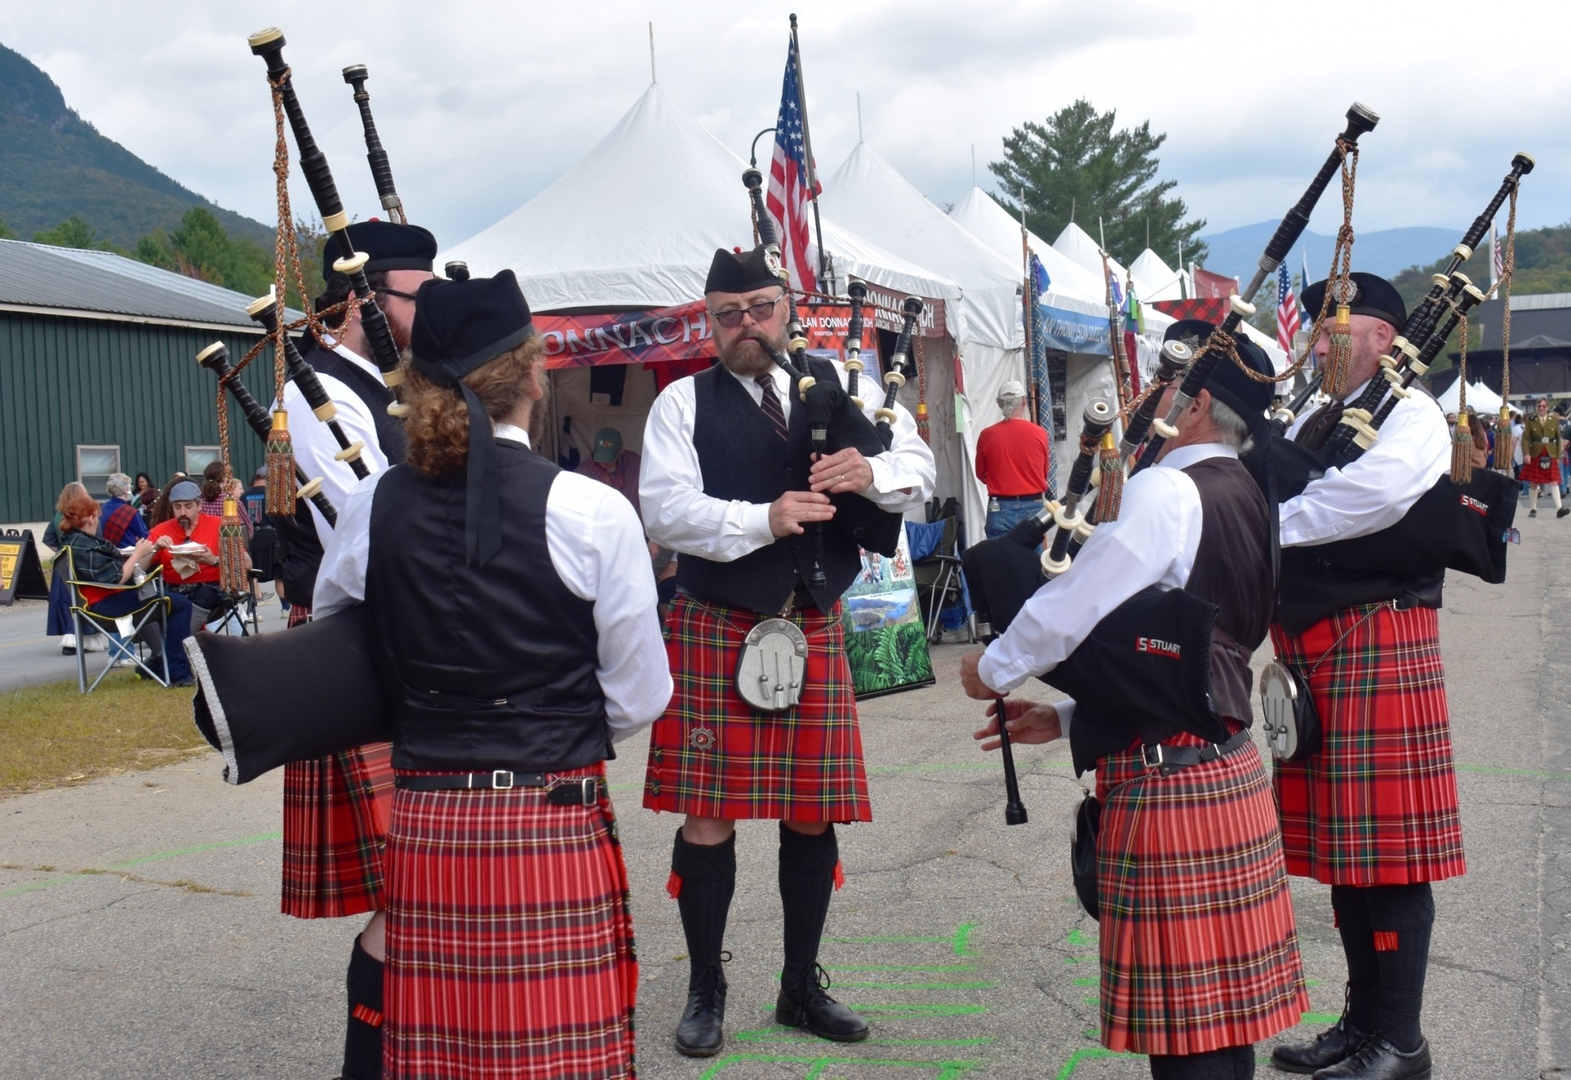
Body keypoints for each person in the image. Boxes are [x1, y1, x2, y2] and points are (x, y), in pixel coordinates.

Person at [314, 270, 670, 1078]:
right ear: (534, 375)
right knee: (555, 1054)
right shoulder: (592, 511)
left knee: (434, 1049)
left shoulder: (376, 504)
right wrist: (555, 726)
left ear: (423, 387)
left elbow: (337, 625)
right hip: (552, 811)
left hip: (429, 817)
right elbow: (641, 693)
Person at [960, 330, 1307, 1080]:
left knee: (1188, 1041)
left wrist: (990, 670)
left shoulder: (1167, 488)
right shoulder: (1246, 488)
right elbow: (1187, 650)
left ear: (1200, 402)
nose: (1150, 391)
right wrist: (1072, 720)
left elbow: (1069, 608)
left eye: (1165, 380)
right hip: (1216, 763)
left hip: (1170, 787)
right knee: (1217, 1026)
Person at [639, 246, 936, 1057]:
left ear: (786, 310)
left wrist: (868, 468)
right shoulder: (680, 404)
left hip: (809, 622)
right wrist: (758, 520)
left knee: (813, 810)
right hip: (716, 618)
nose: (747, 326)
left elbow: (918, 466)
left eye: (760, 309)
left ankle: (800, 985)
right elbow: (663, 509)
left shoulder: (841, 385)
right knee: (709, 816)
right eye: (728, 315)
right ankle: (706, 988)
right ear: (709, 322)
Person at [1270, 272, 1464, 1080]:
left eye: (1333, 334)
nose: (1318, 347)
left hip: (1376, 640)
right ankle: (1362, 1024)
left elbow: (1370, 499)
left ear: (1383, 338)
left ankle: (1402, 1042)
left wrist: (1264, 525)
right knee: (1349, 859)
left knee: (1389, 861)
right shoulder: (1320, 417)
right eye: (1315, 333)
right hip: (1320, 649)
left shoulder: (1413, 416)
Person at [269, 220, 438, 1080]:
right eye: (419, 293)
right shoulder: (313, 389)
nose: (430, 307)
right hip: (364, 640)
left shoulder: (406, 384)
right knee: (406, 889)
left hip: (420, 637)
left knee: (429, 882)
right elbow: (375, 524)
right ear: (365, 299)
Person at [55, 494, 193, 685]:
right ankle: (177, 673)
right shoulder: (85, 546)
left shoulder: (72, 541)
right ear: (91, 517)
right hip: (106, 606)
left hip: (93, 605)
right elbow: (118, 578)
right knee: (180, 604)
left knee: (160, 600)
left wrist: (149, 551)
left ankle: (162, 663)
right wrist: (137, 553)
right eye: (98, 516)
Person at [147, 479, 228, 632]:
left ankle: (175, 646)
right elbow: (141, 566)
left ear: (199, 505)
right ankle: (173, 649)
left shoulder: (219, 525)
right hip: (175, 590)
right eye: (177, 507)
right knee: (145, 601)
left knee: (205, 594)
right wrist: (155, 548)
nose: (182, 512)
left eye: (188, 506)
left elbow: (246, 564)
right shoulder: (160, 530)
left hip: (211, 587)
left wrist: (214, 560)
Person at [974, 379, 1051, 539]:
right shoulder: (1039, 433)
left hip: (1000, 505)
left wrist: (1002, 480)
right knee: (1031, 561)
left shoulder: (987, 435)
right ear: (1024, 401)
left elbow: (981, 474)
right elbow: (1044, 473)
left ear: (999, 403)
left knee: (998, 560)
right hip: (1033, 505)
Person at [45, 481, 104, 655]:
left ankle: (75, 639)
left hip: (62, 565)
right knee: (84, 600)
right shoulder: (86, 516)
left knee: (67, 603)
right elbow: (97, 538)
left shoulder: (58, 516)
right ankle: (77, 640)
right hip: (82, 564)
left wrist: (62, 552)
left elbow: (49, 539)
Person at [577, 426, 643, 520]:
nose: (604, 462)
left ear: (620, 451)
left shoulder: (635, 463)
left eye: (609, 457)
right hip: (600, 527)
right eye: (601, 456)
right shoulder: (585, 472)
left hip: (632, 524)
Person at [1520, 395, 1567, 518]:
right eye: (1539, 406)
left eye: (1544, 406)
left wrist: (1557, 456)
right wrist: (1526, 454)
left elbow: (1558, 438)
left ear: (1547, 407)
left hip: (1550, 453)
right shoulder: (1531, 420)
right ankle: (1533, 509)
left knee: (1554, 481)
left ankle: (1559, 509)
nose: (1541, 408)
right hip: (1535, 452)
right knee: (1534, 482)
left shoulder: (1553, 420)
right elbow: (1525, 439)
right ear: (1536, 407)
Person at [102, 473, 150, 547]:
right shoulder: (132, 512)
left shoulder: (102, 508)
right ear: (125, 490)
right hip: (127, 555)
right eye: (130, 486)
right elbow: (145, 536)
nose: (131, 489)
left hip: (105, 552)